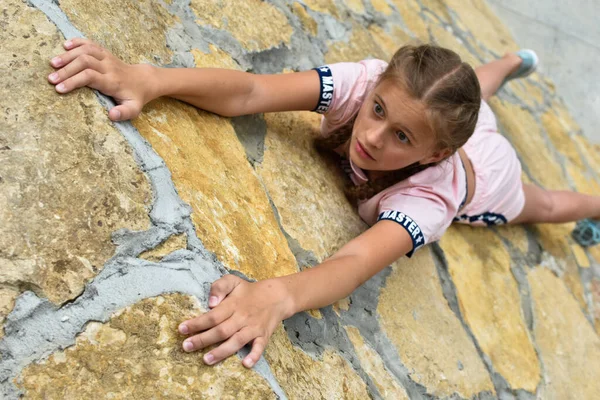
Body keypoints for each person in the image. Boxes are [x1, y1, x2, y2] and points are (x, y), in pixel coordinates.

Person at [47, 38, 600, 369]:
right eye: (378, 110)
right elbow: (251, 92)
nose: (375, 138)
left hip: (492, 177)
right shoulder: (369, 85)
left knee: (548, 203)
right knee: (470, 84)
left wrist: (279, 294)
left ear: (436, 152)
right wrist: (150, 79)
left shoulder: (431, 198)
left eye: (402, 138)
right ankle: (506, 63)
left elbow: (355, 263)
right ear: (378, 83)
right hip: (452, 123)